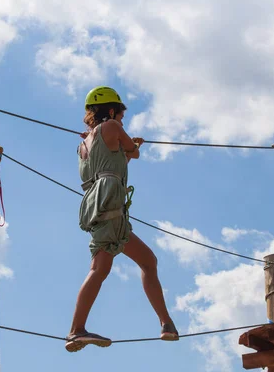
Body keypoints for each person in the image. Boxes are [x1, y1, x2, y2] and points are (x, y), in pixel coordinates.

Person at [65, 86, 178, 353]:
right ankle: (76, 330)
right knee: (99, 269)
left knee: (148, 261)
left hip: (102, 209)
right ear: (112, 111)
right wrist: (135, 143)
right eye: (121, 114)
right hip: (111, 206)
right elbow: (133, 153)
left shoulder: (82, 146)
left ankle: (167, 324)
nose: (122, 120)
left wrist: (126, 149)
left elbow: (118, 160)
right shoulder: (113, 127)